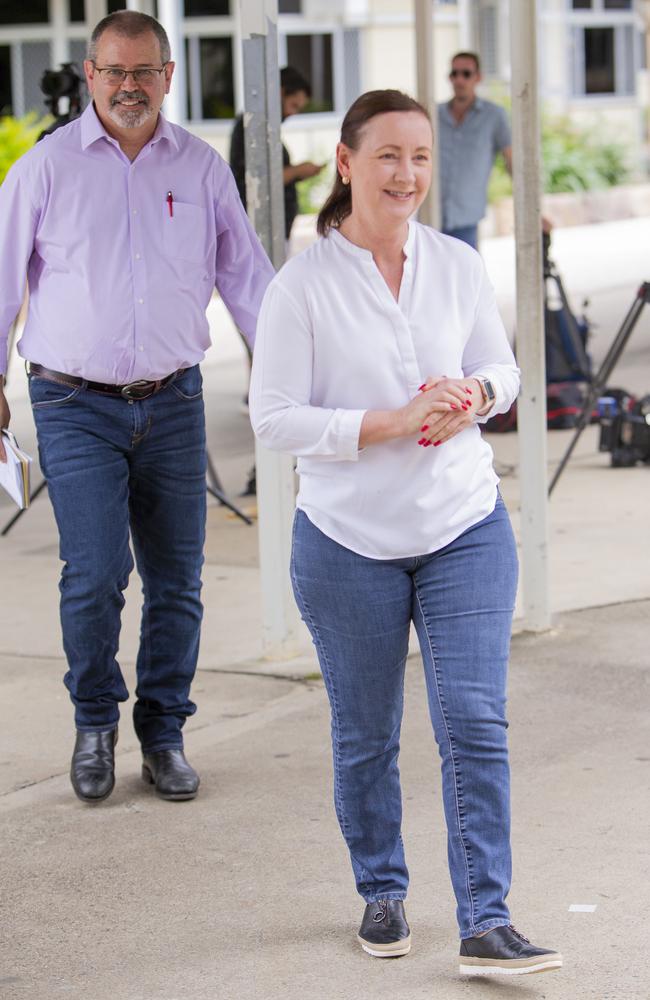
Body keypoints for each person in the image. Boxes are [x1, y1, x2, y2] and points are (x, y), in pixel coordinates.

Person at [250, 89, 562, 977]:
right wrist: (389, 421)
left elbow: (498, 366)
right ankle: (382, 892)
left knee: (473, 720)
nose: (408, 174)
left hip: (463, 525)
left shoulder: (456, 264)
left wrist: (475, 397)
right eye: (389, 155)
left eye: (421, 156)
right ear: (345, 164)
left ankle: (486, 920)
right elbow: (272, 418)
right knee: (366, 733)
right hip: (347, 542)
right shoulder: (301, 288)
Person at [0, 11, 274, 805]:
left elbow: (247, 278)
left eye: (144, 72)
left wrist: (279, 365)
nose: (129, 87)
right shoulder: (47, 168)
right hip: (71, 401)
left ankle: (163, 732)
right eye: (114, 72)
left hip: (175, 401)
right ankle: (94, 722)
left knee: (178, 580)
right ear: (90, 76)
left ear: (168, 76)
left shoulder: (198, 166)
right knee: (94, 575)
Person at [229, 66, 323, 243]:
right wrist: (296, 171)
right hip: (260, 234)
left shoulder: (265, 128)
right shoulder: (251, 126)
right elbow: (257, 179)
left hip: (273, 233)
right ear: (280, 93)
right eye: (293, 105)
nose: (292, 113)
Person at [438, 51, 511, 250]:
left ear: (478, 77)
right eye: (455, 74)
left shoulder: (494, 115)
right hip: (431, 218)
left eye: (466, 74)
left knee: (466, 278)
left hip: (466, 219)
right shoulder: (434, 115)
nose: (459, 80)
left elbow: (512, 161)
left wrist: (533, 211)